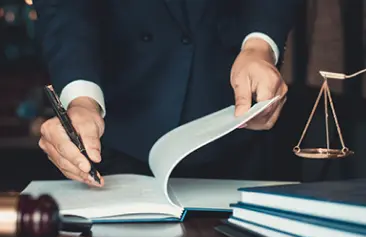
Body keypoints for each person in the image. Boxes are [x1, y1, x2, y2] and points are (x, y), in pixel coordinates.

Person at [33, 0, 303, 187]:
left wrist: (259, 47)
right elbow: (64, 10)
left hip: (236, 117)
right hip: (117, 125)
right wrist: (81, 100)